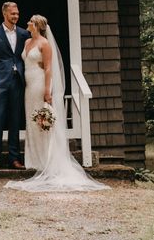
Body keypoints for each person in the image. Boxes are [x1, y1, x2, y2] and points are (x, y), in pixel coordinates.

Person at [6, 14, 108, 192]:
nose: (27, 23)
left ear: (37, 25)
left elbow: (48, 68)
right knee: (31, 122)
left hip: (39, 85)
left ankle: (48, 161)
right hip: (28, 86)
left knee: (42, 122)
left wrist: (47, 90)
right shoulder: (26, 43)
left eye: (30, 21)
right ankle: (34, 160)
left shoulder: (44, 44)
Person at [0, 1, 29, 170]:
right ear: (4, 14)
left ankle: (14, 158)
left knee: (15, 120)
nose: (16, 16)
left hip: (18, 82)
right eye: (12, 13)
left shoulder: (25, 34)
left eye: (17, 13)